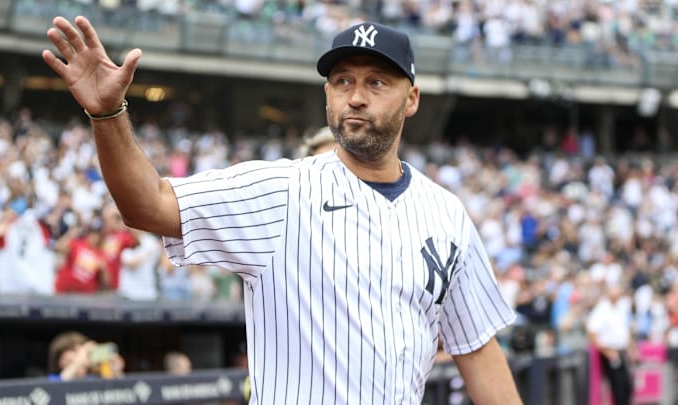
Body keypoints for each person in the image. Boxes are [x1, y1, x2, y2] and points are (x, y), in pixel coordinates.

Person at [43, 17, 521, 404]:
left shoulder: (446, 212)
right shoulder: (281, 191)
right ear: (328, 94)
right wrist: (108, 115)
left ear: (411, 99)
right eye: (342, 81)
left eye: (377, 82)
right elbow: (148, 204)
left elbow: (475, 347)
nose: (356, 96)